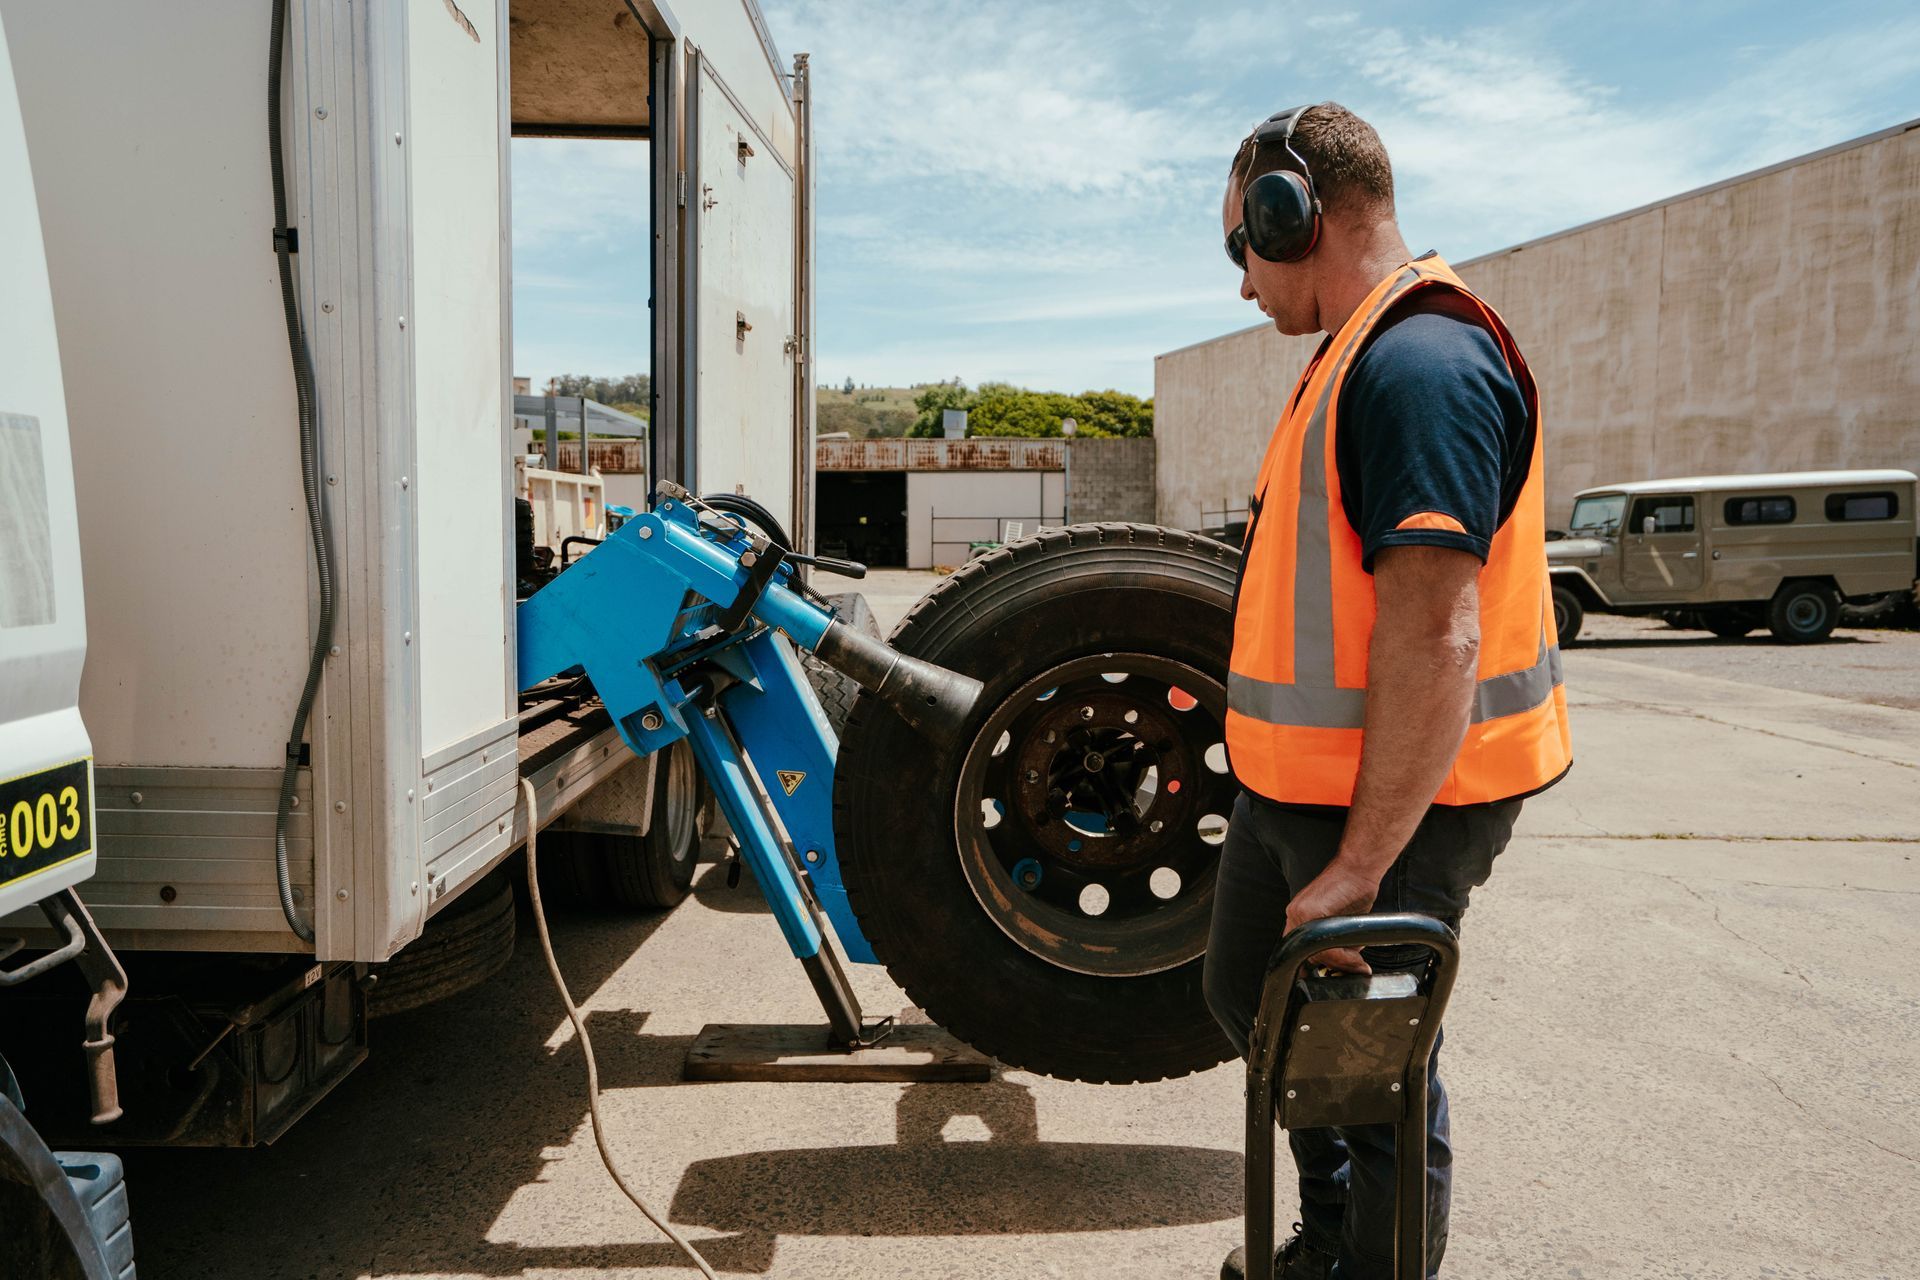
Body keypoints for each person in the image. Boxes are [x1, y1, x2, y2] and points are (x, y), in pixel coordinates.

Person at [1204, 103, 1572, 1280]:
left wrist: (1362, 865)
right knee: (1249, 1005)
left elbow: (1436, 634)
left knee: (1372, 1073)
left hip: (1396, 809)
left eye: (1238, 246)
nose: (1242, 282)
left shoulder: (1420, 363)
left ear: (1289, 211)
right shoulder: (1350, 354)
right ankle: (1333, 1233)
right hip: (1300, 792)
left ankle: (1370, 1264)